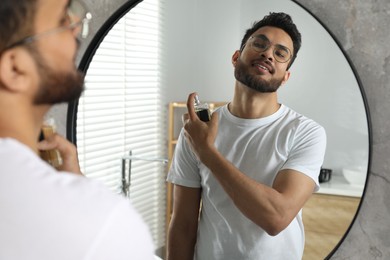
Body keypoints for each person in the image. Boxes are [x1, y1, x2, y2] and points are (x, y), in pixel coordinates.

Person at [0, 0, 155, 259]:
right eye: (63, 21)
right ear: (15, 68)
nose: (77, 28)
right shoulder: (99, 223)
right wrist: (76, 199)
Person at [166, 12, 327, 260]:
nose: (268, 53)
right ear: (235, 57)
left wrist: (208, 153)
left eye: (281, 53)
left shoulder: (306, 133)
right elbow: (183, 226)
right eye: (259, 43)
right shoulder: (198, 130)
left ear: (286, 77)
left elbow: (276, 218)